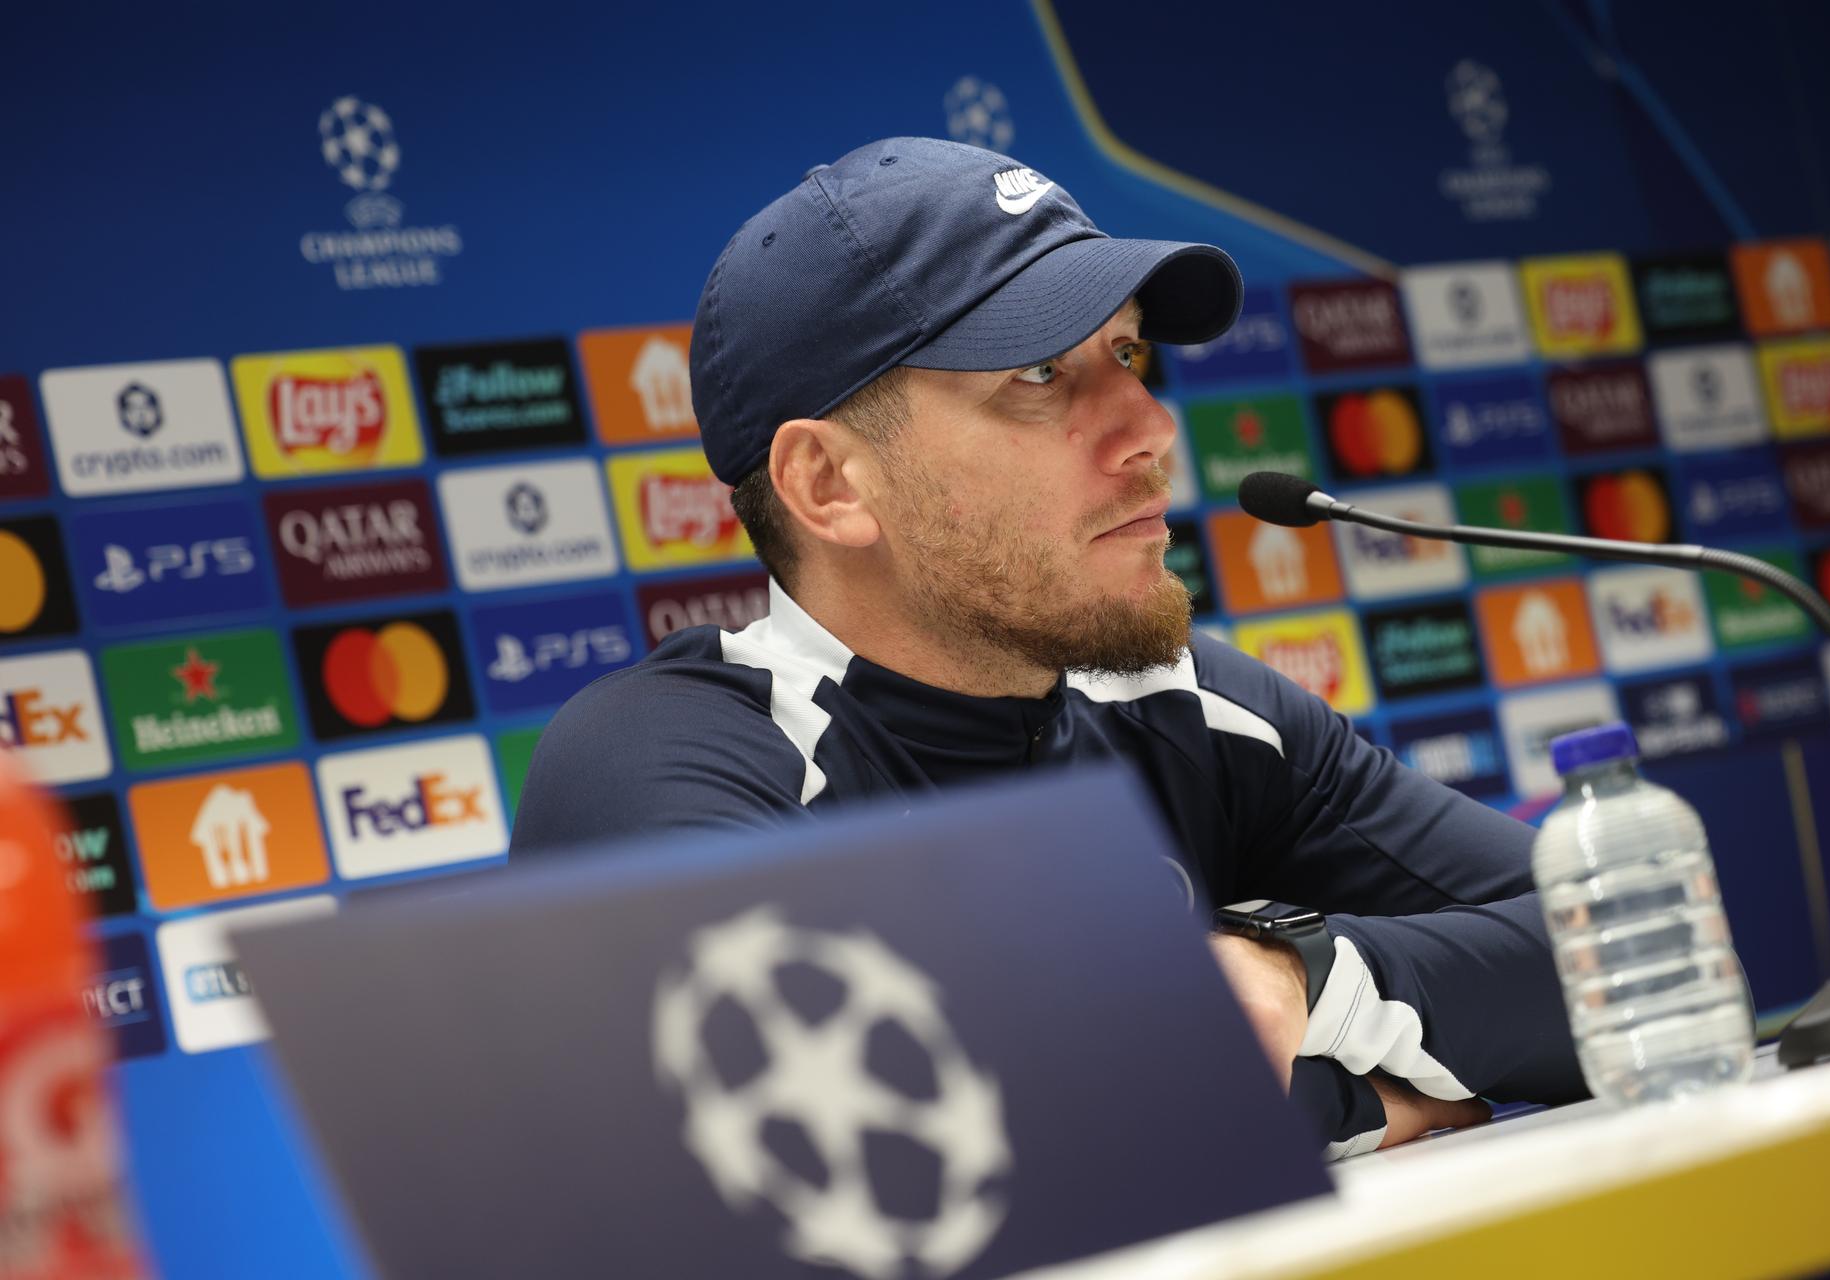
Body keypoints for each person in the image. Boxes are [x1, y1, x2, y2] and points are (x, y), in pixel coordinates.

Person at [512, 137, 1585, 1156]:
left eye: (1126, 351)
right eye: (1036, 373)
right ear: (830, 484)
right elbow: (846, 1158)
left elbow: (1622, 939)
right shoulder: (658, 763)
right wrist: (1353, 1102)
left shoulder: (1186, 705)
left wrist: (1294, 979)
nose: (1152, 428)